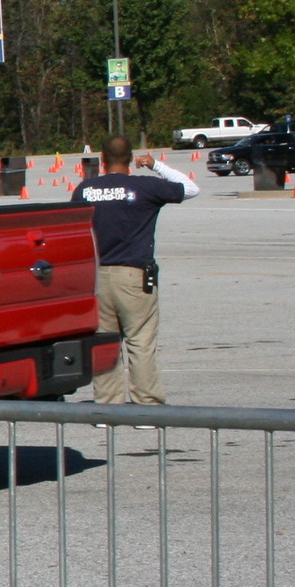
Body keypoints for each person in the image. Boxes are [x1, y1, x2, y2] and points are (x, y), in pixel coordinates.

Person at [76, 134, 197, 405]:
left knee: (105, 343)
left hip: (97, 277)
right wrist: (156, 165)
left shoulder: (85, 189)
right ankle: (146, 405)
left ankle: (107, 406)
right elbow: (190, 188)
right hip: (134, 275)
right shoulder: (145, 186)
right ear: (130, 159)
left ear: (102, 159)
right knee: (140, 342)